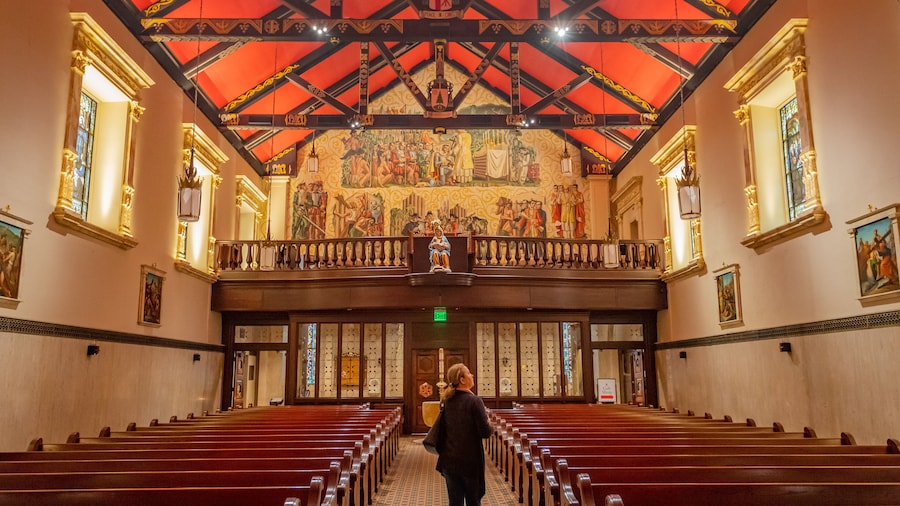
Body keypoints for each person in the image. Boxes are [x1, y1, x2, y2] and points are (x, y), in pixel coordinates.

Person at [435, 363, 492, 506]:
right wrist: (489, 422)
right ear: (462, 379)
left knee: (454, 502)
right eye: (469, 373)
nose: (472, 375)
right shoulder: (474, 401)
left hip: (449, 460)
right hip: (470, 461)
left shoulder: (446, 401)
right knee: (473, 501)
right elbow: (485, 432)